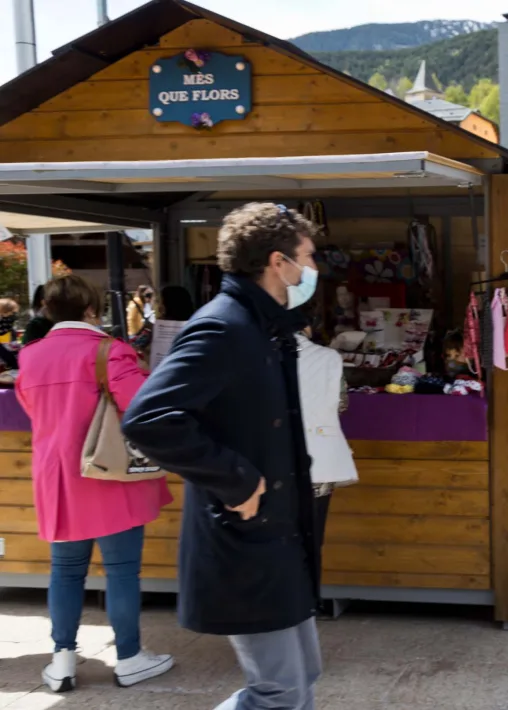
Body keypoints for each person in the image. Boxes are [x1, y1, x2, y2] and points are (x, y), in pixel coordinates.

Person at [121, 203, 321, 710]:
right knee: (280, 693)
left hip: (279, 538)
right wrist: (237, 480)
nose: (314, 269)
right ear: (279, 262)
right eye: (308, 257)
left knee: (302, 679)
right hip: (245, 537)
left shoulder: (265, 326)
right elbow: (148, 419)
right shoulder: (224, 327)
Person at [15, 275, 174, 692]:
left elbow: (31, 407)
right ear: (92, 309)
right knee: (122, 572)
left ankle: (62, 661)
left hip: (58, 478)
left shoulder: (31, 356)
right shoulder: (110, 352)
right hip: (109, 474)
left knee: (65, 572)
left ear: (48, 311)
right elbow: (141, 407)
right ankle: (129, 658)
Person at [296, 319, 357, 571]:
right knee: (312, 535)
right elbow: (341, 404)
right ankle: (307, 601)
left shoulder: (260, 356)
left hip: (273, 461)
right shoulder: (329, 357)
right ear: (308, 328)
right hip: (319, 459)